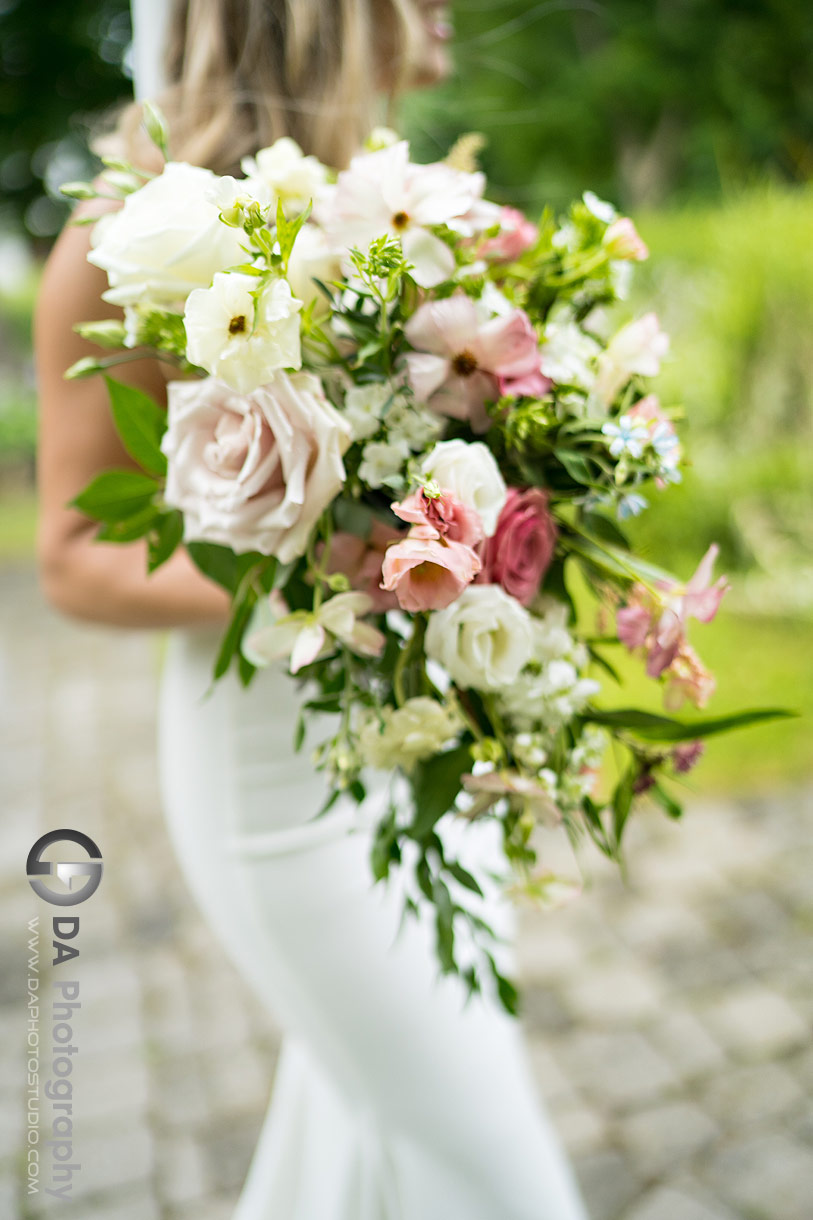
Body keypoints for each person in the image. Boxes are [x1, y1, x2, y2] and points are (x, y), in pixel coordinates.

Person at [35, 2, 590, 1216]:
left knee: (355, 1143)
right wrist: (321, 567)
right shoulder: (129, 224)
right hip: (277, 779)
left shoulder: (400, 202)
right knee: (493, 1167)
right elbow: (74, 557)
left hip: (415, 755)